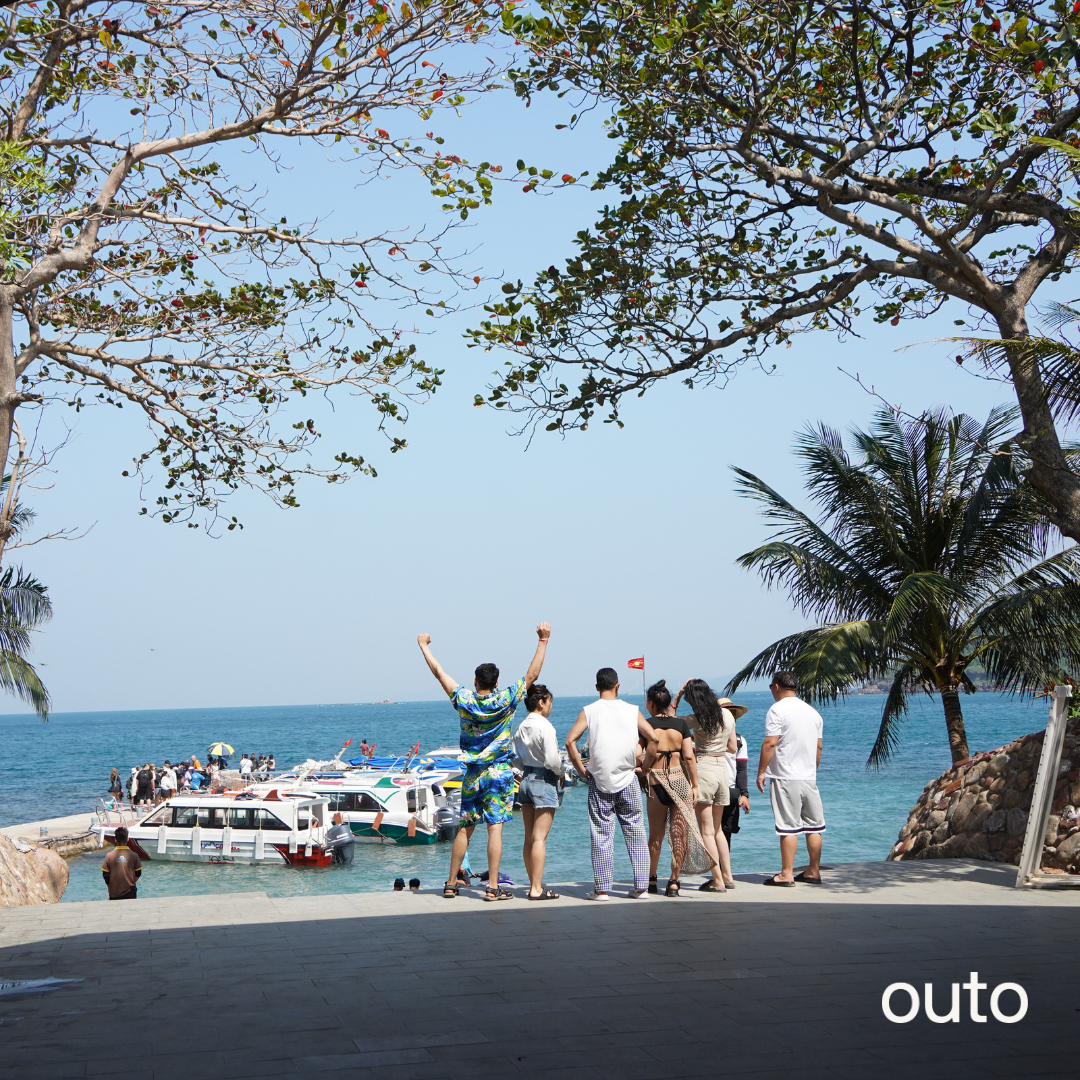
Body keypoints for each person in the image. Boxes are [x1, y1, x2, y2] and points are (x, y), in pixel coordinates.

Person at [418, 623, 551, 902]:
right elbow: (533, 674)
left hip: (473, 775)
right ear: (496, 683)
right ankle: (492, 887)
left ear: (476, 681)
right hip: (499, 773)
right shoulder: (506, 698)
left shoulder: (464, 699)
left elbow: (438, 672)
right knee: (495, 829)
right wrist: (543, 640)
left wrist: (424, 646)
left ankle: (451, 883)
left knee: (465, 828)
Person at [565, 667, 657, 901]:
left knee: (601, 835)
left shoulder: (590, 711)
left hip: (598, 779)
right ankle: (642, 888)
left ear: (597, 687)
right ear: (618, 686)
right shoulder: (632, 710)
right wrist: (645, 766)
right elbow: (654, 738)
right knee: (636, 831)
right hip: (628, 778)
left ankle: (602, 890)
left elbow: (570, 742)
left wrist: (581, 770)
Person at [640, 679, 712, 897]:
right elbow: (689, 757)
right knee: (679, 835)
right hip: (679, 781)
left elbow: (637, 753)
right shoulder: (681, 725)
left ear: (651, 703)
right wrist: (696, 786)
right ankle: (674, 882)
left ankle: (652, 880)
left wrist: (641, 769)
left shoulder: (647, 724)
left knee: (655, 837)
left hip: (656, 782)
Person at [757, 671, 825, 886]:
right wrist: (812, 769)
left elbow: (770, 743)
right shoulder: (813, 712)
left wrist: (761, 771)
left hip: (785, 775)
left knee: (788, 826)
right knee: (814, 826)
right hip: (808, 776)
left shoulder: (777, 710)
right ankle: (813, 871)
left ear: (776, 686)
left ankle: (786, 873)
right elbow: (819, 746)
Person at [675, 679, 739, 892]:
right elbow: (732, 747)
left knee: (707, 832)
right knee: (718, 830)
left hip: (704, 768)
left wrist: (676, 696)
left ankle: (718, 881)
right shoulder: (728, 715)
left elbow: (670, 721)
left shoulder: (696, 718)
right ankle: (728, 876)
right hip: (723, 770)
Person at [512, 683, 563, 901]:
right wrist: (560, 772)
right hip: (544, 780)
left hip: (525, 780)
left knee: (529, 837)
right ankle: (536, 888)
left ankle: (534, 883)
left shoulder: (521, 727)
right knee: (539, 839)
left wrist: (525, 770)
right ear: (541, 702)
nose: (550, 707)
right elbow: (552, 760)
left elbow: (514, 758)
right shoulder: (546, 727)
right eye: (549, 702)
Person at [722, 712, 751, 854]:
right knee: (711, 832)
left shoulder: (740, 741)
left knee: (726, 832)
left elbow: (741, 769)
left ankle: (722, 872)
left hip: (730, 791)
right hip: (710, 789)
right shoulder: (704, 737)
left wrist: (744, 794)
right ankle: (718, 872)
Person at [102, 826, 142, 900]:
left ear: (115, 840)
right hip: (130, 891)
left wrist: (111, 886)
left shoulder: (109, 856)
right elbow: (138, 873)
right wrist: (130, 881)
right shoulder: (134, 855)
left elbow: (105, 875)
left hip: (114, 893)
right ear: (128, 839)